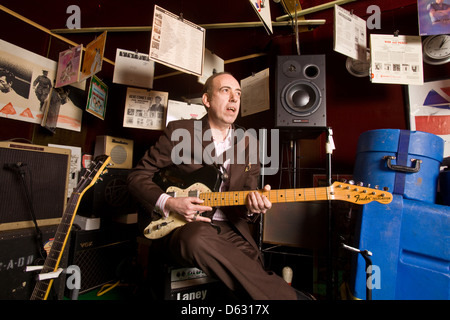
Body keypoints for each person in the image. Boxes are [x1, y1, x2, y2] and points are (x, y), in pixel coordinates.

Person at [127, 72, 313, 300]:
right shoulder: (179, 132)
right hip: (184, 226)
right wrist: (171, 202)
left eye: (238, 94)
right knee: (196, 239)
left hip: (230, 228)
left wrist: (253, 206)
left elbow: (247, 200)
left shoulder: (250, 144)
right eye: (225, 91)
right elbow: (137, 176)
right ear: (206, 100)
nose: (234, 99)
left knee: (251, 264)